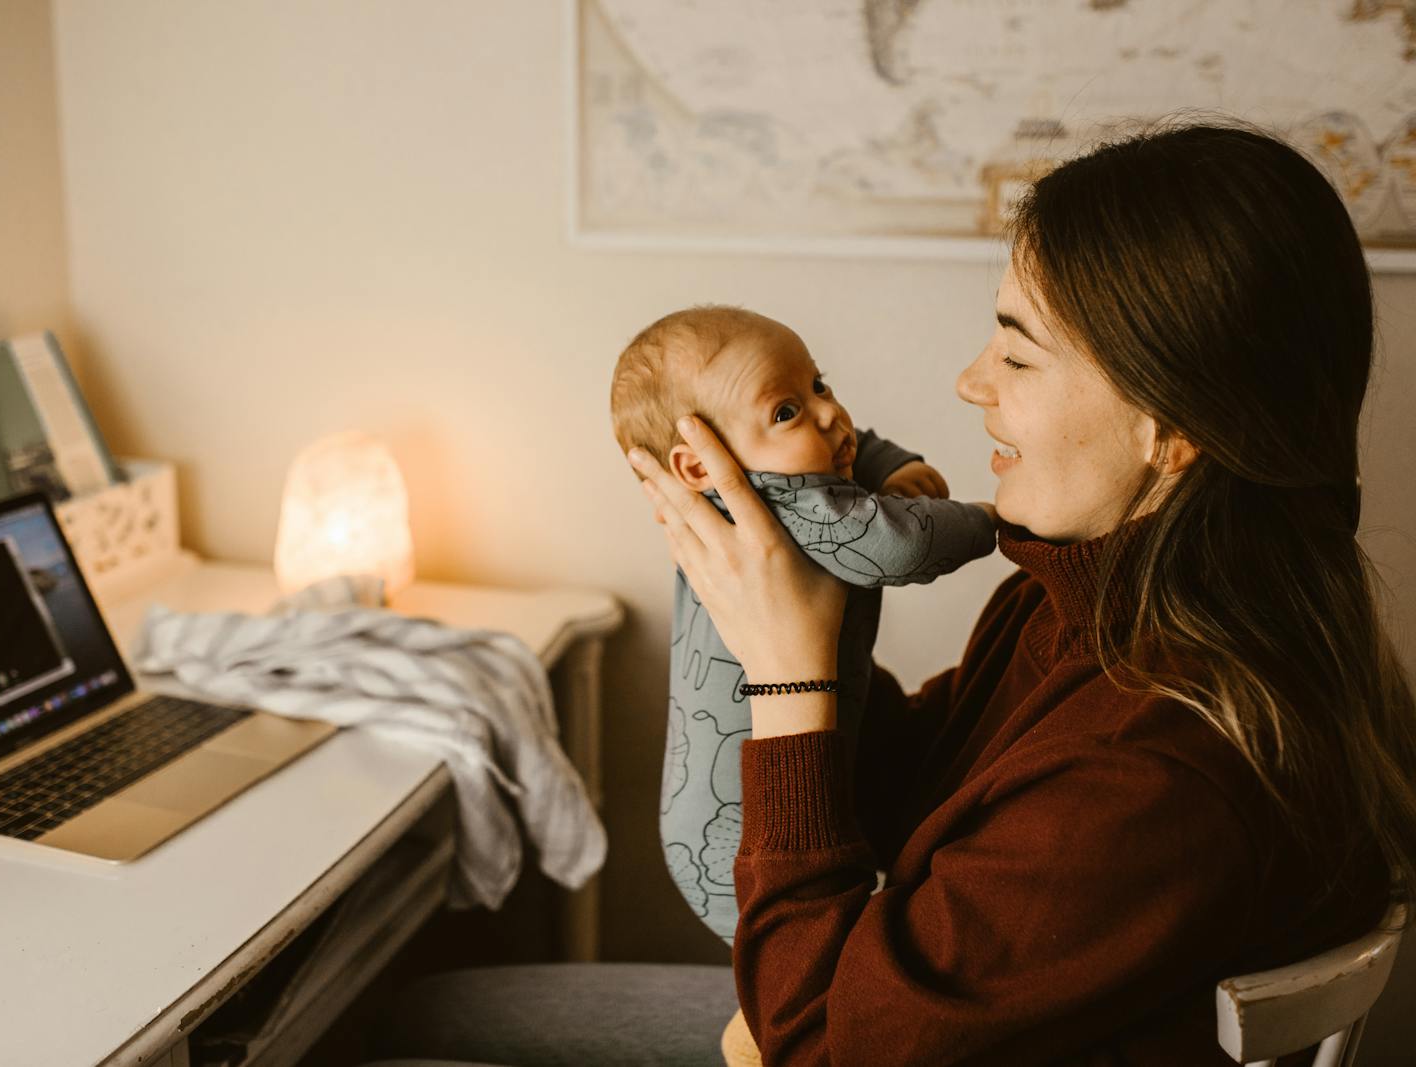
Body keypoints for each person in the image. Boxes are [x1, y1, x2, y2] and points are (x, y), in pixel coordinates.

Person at [364, 120, 1416, 1066]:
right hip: (862, 992)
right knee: (428, 1014)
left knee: (401, 1039)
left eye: (1015, 350)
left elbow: (815, 1038)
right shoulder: (1104, 601)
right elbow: (930, 789)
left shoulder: (1157, 768)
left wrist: (786, 680)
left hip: (828, 1013)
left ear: (1168, 429)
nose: (971, 381)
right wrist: (777, 628)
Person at [609, 305, 995, 942]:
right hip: (744, 845)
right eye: (785, 411)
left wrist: (890, 467)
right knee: (813, 950)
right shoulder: (785, 502)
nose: (826, 412)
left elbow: (857, 442)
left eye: (819, 384)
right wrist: (994, 519)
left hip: (737, 811)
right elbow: (899, 546)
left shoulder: (780, 475)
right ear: (701, 467)